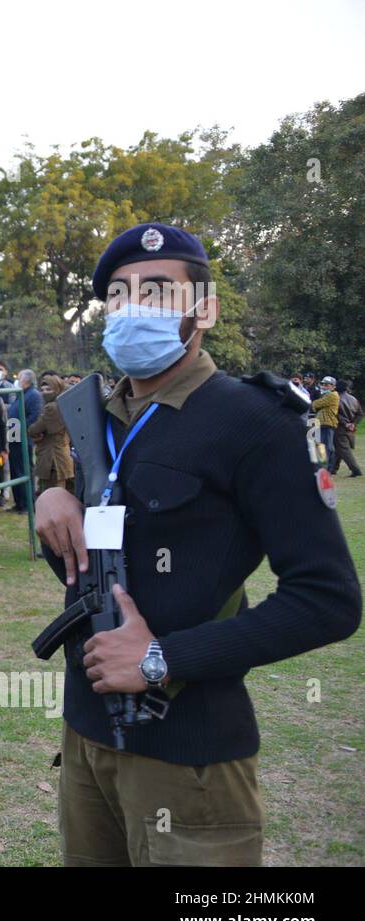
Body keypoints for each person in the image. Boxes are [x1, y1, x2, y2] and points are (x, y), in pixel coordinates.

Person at [36, 222, 361, 866]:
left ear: (202, 309)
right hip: (86, 734)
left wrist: (159, 658)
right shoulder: (99, 418)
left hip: (188, 755)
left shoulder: (256, 422)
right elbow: (99, 567)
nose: (134, 309)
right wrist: (51, 506)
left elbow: (328, 600)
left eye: (158, 292)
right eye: (120, 297)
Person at [28, 373, 75, 495]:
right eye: (42, 389)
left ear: (57, 389)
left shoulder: (53, 407)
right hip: (59, 457)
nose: (44, 392)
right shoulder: (63, 403)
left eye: (49, 389)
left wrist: (35, 432)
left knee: (52, 496)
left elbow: (34, 429)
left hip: (53, 459)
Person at [7, 369, 42, 512]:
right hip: (14, 436)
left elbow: (34, 416)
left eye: (19, 378)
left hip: (23, 438)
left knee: (23, 470)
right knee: (15, 470)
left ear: (26, 380)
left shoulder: (33, 395)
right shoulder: (22, 394)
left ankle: (27, 504)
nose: (17, 380)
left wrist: (21, 428)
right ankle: (19, 503)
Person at [311, 376, 340, 474]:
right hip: (324, 423)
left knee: (325, 448)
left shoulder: (332, 395)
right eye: (323, 384)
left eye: (326, 384)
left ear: (333, 386)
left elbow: (315, 404)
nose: (324, 386)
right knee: (329, 448)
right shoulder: (327, 395)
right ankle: (329, 469)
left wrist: (315, 402)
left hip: (327, 423)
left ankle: (323, 469)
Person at [333, 379, 362, 477]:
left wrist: (346, 424)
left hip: (340, 428)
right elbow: (360, 414)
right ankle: (333, 468)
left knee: (344, 450)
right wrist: (353, 423)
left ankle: (356, 470)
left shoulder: (336, 398)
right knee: (339, 449)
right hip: (351, 429)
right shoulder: (354, 399)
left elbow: (336, 414)